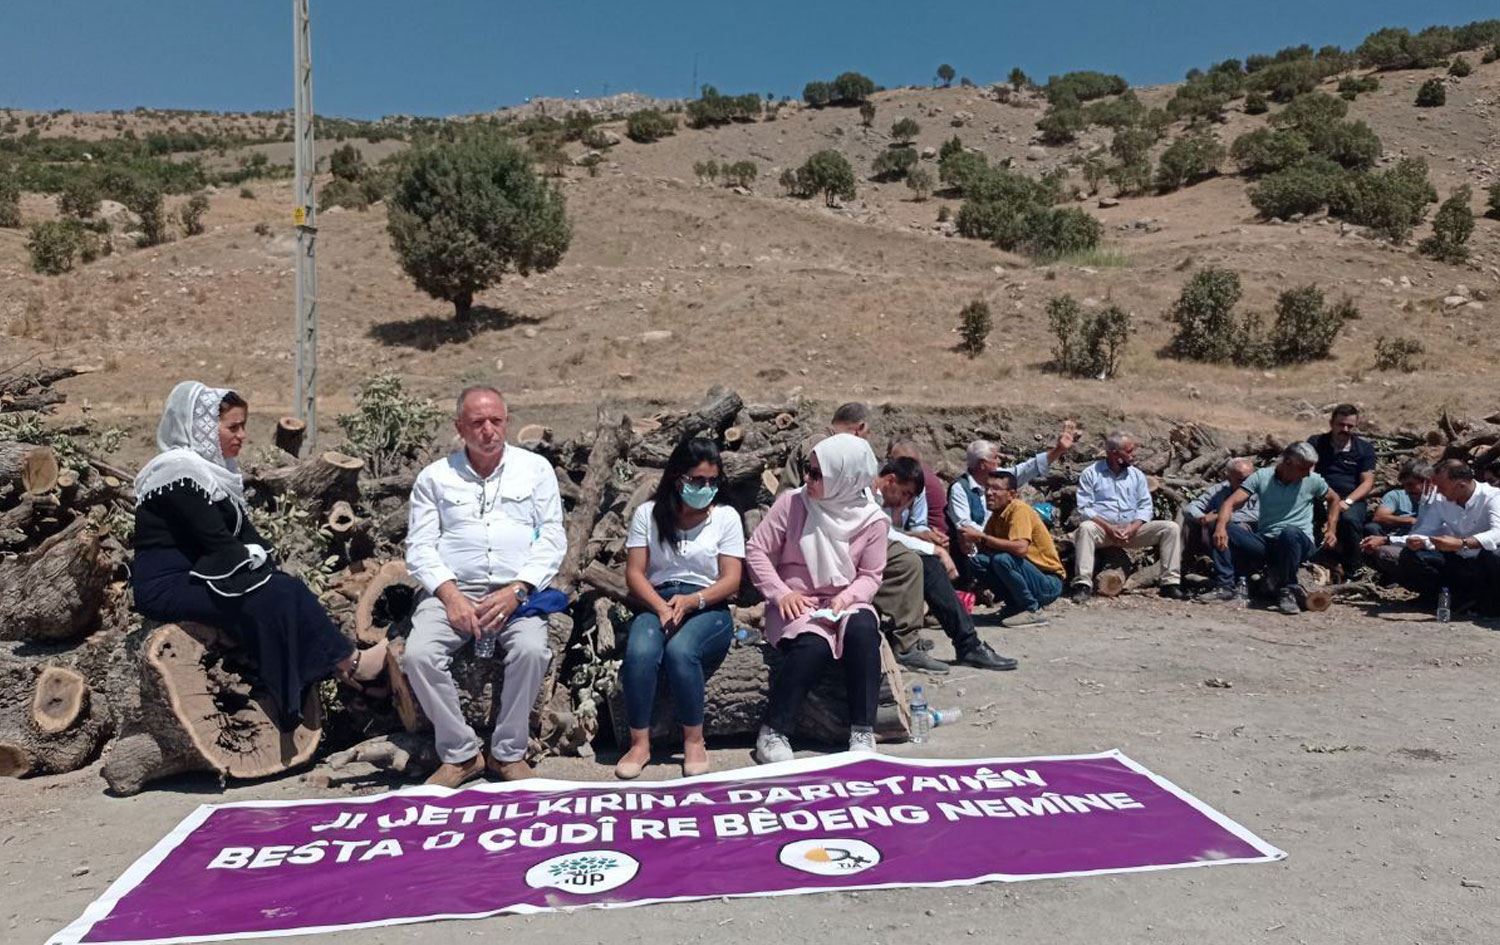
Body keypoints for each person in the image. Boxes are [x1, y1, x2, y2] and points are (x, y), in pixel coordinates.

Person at [131, 381, 376, 731]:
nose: (243, 436)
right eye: (233, 427)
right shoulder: (176, 471)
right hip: (168, 585)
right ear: (200, 427)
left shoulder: (218, 475)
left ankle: (326, 678)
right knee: (272, 594)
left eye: (243, 426)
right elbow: (216, 540)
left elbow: (249, 539)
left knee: (283, 587)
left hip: (204, 574)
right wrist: (261, 572)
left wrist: (269, 569)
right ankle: (350, 666)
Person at [403, 387, 566, 787]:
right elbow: (420, 546)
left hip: (516, 591)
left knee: (530, 649)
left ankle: (508, 753)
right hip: (451, 592)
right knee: (418, 655)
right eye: (477, 422)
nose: (489, 431)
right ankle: (460, 755)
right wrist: (451, 596)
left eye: (496, 421)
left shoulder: (536, 470)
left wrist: (518, 589)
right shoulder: (435, 478)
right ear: (460, 427)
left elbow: (552, 538)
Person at [746, 434, 888, 763]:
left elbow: (870, 576)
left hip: (844, 601)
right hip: (797, 602)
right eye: (807, 470)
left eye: (817, 474)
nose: (808, 479)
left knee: (864, 631)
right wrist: (781, 593)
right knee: (813, 645)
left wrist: (847, 598)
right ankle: (773, 731)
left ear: (846, 477)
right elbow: (757, 550)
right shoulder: (793, 504)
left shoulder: (872, 520)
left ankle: (862, 730)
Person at [617, 437, 744, 780]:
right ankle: (639, 742)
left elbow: (732, 580)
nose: (706, 488)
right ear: (678, 478)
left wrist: (693, 602)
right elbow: (634, 573)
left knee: (681, 651)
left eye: (712, 481)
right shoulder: (648, 514)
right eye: (697, 480)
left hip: (707, 604)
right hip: (658, 599)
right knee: (640, 651)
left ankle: (694, 740)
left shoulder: (726, 518)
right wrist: (660, 607)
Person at [778, 404, 934, 673]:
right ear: (859, 427)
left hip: (846, 527)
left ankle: (906, 639)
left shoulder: (838, 446)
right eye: (868, 433)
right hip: (818, 531)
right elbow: (813, 496)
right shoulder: (822, 444)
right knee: (907, 562)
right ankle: (904, 642)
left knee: (909, 562)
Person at [873, 458, 1016, 670]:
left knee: (927, 563)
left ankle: (966, 643)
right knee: (919, 562)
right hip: (858, 558)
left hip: (874, 551)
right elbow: (885, 533)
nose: (905, 502)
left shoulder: (880, 498)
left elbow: (889, 532)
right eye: (905, 494)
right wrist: (936, 549)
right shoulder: (866, 494)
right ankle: (949, 644)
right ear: (891, 479)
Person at [1214, 442, 1341, 615]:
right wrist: (1220, 527)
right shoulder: (1262, 477)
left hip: (1298, 542)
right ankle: (1226, 586)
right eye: (1303, 468)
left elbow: (1334, 499)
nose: (1306, 473)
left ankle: (1287, 589)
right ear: (1287, 463)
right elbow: (1230, 503)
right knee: (1223, 527)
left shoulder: (1313, 480)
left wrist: (1331, 529)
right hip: (1267, 541)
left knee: (1289, 532)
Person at [948, 422, 1077, 587]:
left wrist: (1059, 450)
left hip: (1001, 545)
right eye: (994, 458)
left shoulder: (1000, 478)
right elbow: (964, 526)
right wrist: (993, 539)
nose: (999, 460)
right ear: (982, 464)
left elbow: (1028, 468)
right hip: (978, 550)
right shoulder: (960, 489)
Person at [1069, 430, 1184, 602]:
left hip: (1132, 530)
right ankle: (1083, 584)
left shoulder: (1136, 475)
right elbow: (1085, 507)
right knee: (1085, 528)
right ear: (1114, 453)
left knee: (1171, 528)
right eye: (1129, 451)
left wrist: (1133, 527)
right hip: (1103, 530)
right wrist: (1109, 527)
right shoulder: (1091, 473)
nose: (1133, 455)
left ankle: (1170, 584)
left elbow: (1145, 506)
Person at [1374, 460, 1500, 615]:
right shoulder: (1441, 500)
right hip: (1457, 559)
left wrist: (1462, 543)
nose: (1437, 491)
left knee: (1494, 554)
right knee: (1413, 555)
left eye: (1441, 487)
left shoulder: (1493, 496)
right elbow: (1426, 529)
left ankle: (1489, 603)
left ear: (1461, 486)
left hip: (1483, 561)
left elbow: (1497, 533)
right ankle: (1444, 598)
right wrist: (1416, 540)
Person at [962, 472, 1066, 627]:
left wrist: (981, 537)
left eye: (996, 489)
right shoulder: (996, 516)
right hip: (1026, 574)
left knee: (1003, 560)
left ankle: (1031, 610)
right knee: (978, 561)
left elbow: (1020, 549)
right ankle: (1014, 606)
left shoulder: (1019, 510)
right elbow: (986, 549)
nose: (989, 493)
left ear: (1011, 494)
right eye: (988, 488)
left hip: (1047, 582)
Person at [1308, 404, 1376, 580]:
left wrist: (1348, 501)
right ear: (1331, 423)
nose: (1345, 429)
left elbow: (1367, 481)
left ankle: (1354, 570)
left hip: (1349, 499)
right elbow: (1309, 472)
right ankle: (1309, 561)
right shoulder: (1316, 443)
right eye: (1341, 425)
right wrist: (1322, 495)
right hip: (1320, 494)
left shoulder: (1364, 449)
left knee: (1350, 521)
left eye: (1350, 426)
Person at [1185, 458, 1259, 600]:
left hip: (1252, 537)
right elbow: (1190, 508)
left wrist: (1221, 517)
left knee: (1228, 527)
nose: (1246, 484)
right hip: (1217, 535)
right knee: (1195, 524)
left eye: (1250, 478)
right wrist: (1202, 518)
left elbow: (1257, 515)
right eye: (1241, 480)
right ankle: (1181, 573)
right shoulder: (1219, 490)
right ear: (1228, 477)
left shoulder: (1260, 491)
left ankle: (1235, 579)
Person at [1360, 460, 1433, 580]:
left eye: (1411, 484)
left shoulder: (1438, 501)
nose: (1407, 490)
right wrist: (1409, 520)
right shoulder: (1396, 495)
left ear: (1426, 482)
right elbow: (1379, 517)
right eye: (1404, 485)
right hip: (1400, 534)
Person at [886, 438, 948, 541]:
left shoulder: (918, 485)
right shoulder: (880, 486)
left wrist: (928, 535)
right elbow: (885, 531)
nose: (911, 471)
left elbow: (918, 524)